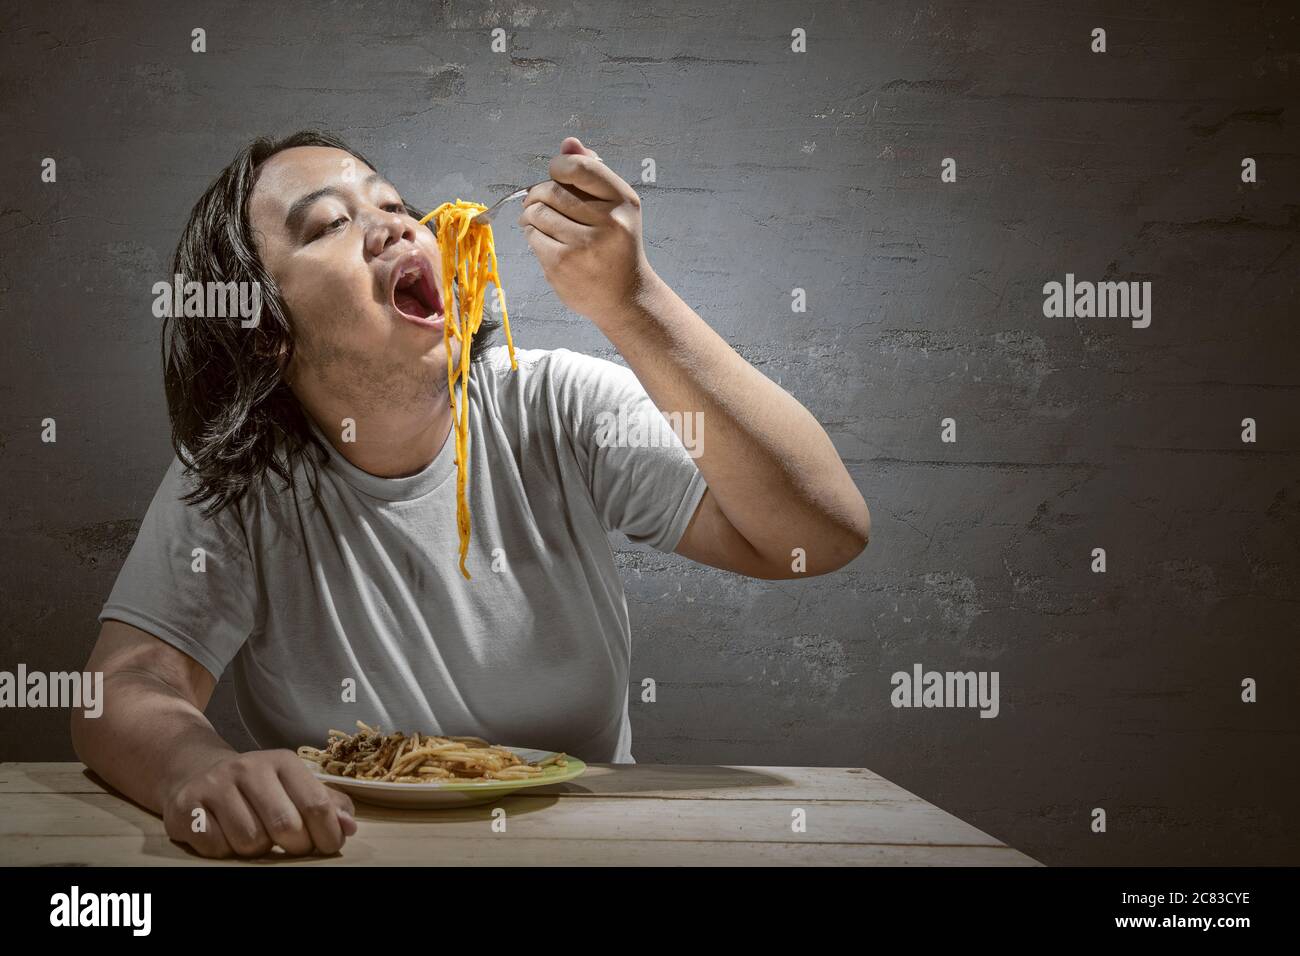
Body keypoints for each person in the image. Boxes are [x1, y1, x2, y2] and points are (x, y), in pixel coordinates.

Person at [71, 130, 871, 859]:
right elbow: (125, 688)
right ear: (268, 333)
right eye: (329, 226)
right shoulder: (245, 477)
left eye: (392, 204)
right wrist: (193, 767)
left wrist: (635, 303)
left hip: (588, 850)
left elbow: (822, 532)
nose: (395, 225)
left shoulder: (556, 403)